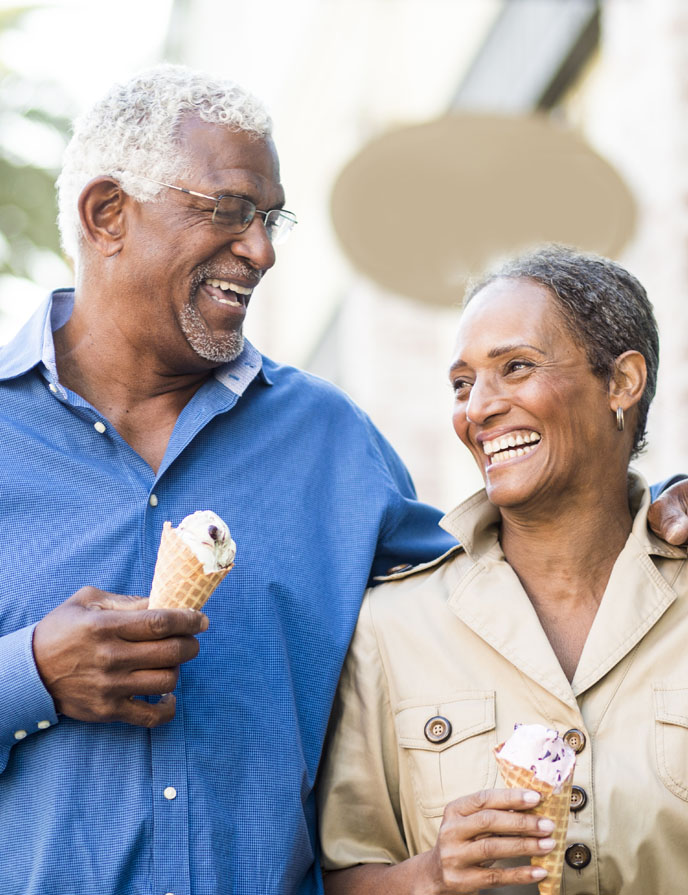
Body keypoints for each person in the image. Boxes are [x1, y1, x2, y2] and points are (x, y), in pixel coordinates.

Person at [0, 66, 684, 895]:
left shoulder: (329, 441)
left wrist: (657, 504)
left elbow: (510, 573)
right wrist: (28, 673)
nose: (261, 249)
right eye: (230, 210)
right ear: (108, 213)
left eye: (270, 218)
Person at [318, 246, 688, 895]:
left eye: (516, 367)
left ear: (622, 381)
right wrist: (429, 876)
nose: (478, 408)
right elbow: (340, 874)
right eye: (462, 383)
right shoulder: (391, 625)